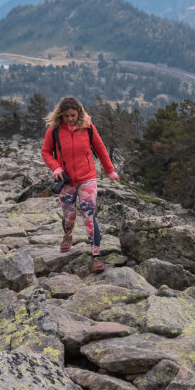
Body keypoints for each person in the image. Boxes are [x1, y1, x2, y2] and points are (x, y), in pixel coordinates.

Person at [41, 96, 119, 272]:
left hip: (87, 178)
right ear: (61, 115)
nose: (70, 118)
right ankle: (68, 236)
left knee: (89, 215)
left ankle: (96, 255)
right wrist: (56, 168)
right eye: (67, 115)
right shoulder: (54, 130)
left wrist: (110, 171)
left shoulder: (88, 127)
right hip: (65, 180)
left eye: (73, 115)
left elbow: (100, 149)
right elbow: (46, 152)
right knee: (69, 215)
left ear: (79, 113)